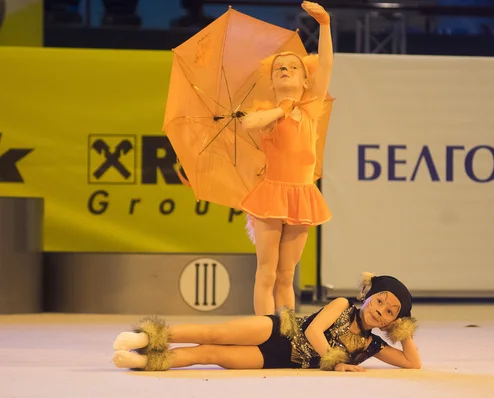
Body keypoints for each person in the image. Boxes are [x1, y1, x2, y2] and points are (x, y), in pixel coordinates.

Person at [235, 1, 335, 316]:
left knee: (286, 274)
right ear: (272, 81)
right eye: (280, 68)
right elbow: (247, 123)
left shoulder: (311, 108)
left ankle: (288, 334)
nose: (286, 69)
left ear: (306, 81)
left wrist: (325, 26)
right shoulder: (267, 114)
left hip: (301, 194)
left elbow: (328, 65)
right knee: (266, 270)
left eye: (294, 67)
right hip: (271, 194)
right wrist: (282, 109)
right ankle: (265, 331)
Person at [112, 273, 422, 372]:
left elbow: (413, 364)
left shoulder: (372, 345)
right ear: (367, 296)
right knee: (214, 334)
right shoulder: (343, 305)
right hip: (280, 329)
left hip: (276, 358)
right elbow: (314, 330)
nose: (381, 311)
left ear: (392, 321)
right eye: (380, 300)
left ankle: (139, 363)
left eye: (391, 311)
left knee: (209, 353)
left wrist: (403, 329)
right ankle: (143, 338)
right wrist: (336, 362)